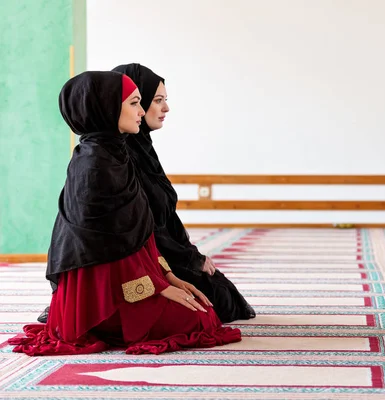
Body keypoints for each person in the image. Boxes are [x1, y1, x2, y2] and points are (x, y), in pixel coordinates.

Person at [11, 71, 241, 356]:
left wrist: (168, 276)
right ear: (106, 107)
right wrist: (158, 288)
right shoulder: (96, 164)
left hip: (119, 278)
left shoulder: (112, 154)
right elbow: (107, 248)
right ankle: (104, 325)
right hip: (100, 292)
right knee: (200, 320)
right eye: (134, 103)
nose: (142, 111)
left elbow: (135, 234)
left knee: (205, 307)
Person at [109, 63, 256, 323]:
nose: (165, 108)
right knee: (211, 306)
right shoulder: (116, 156)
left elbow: (165, 215)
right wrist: (184, 262)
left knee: (223, 296)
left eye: (165, 100)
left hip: (163, 253)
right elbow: (139, 227)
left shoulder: (142, 148)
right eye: (157, 100)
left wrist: (192, 256)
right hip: (139, 261)